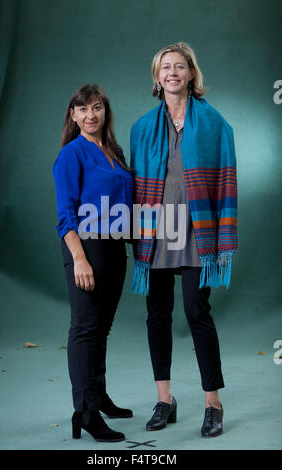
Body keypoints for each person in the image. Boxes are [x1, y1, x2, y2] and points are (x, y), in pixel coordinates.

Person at [130, 42, 237, 438]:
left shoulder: (215, 124)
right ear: (157, 77)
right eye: (165, 67)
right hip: (157, 232)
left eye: (180, 67)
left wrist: (224, 233)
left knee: (197, 311)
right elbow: (136, 184)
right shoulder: (142, 128)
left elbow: (226, 182)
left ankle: (213, 404)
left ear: (192, 74)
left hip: (198, 233)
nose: (172, 73)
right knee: (157, 315)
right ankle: (165, 400)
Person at [53, 83, 133, 442]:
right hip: (86, 248)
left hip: (115, 249)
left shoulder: (114, 152)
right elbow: (65, 214)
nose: (90, 115)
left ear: (105, 112)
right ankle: (85, 412)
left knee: (101, 329)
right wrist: (80, 259)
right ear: (73, 115)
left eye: (96, 108)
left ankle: (98, 397)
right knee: (85, 328)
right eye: (83, 109)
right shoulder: (72, 154)